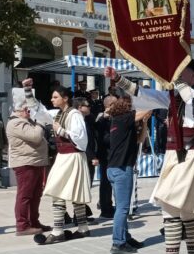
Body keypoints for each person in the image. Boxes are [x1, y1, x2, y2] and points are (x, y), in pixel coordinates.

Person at [106, 59, 194, 254]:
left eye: (180, 69)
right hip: (174, 157)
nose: (175, 73)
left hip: (190, 155)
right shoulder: (173, 97)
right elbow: (145, 95)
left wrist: (176, 81)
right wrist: (119, 80)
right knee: (180, 211)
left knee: (174, 207)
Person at [35, 86, 92, 244]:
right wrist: (27, 91)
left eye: (55, 97)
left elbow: (80, 137)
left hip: (72, 156)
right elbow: (40, 113)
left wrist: (60, 130)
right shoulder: (58, 113)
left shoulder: (74, 114)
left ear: (65, 98)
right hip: (63, 156)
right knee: (65, 192)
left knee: (59, 191)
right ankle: (83, 228)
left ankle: (59, 231)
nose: (52, 100)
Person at [105, 93, 151, 254]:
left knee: (120, 207)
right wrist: (150, 103)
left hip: (113, 169)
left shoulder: (117, 120)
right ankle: (118, 242)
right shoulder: (124, 118)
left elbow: (139, 139)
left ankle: (125, 237)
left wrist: (144, 123)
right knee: (123, 208)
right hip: (122, 169)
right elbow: (144, 111)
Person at [6, 80, 51, 236]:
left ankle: (34, 221)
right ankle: (22, 225)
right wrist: (40, 123)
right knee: (25, 195)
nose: (30, 112)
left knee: (35, 194)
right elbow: (35, 136)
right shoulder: (16, 123)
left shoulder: (26, 121)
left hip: (35, 162)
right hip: (25, 163)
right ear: (22, 109)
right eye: (28, 110)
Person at [94, 96, 116, 219]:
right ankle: (105, 207)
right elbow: (98, 132)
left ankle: (108, 204)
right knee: (105, 182)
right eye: (113, 104)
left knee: (111, 181)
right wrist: (104, 118)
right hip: (105, 154)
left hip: (113, 153)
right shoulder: (101, 118)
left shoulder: (116, 116)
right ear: (108, 106)